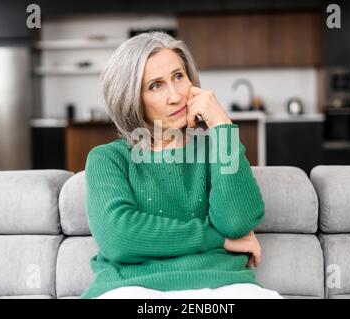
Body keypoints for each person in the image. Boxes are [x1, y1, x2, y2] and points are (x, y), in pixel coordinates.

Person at [80, 31, 282, 299]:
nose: (175, 96)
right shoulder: (108, 159)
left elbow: (236, 223)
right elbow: (118, 237)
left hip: (223, 286)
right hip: (131, 288)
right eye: (155, 85)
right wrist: (217, 239)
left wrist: (222, 126)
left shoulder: (215, 148)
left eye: (178, 76)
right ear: (131, 98)